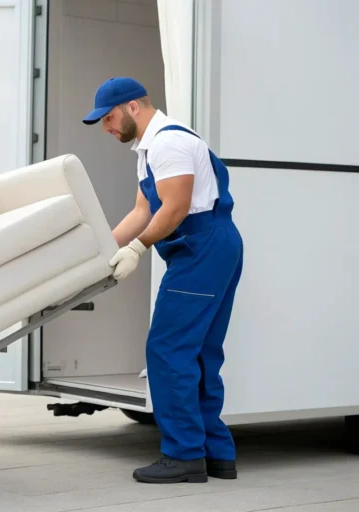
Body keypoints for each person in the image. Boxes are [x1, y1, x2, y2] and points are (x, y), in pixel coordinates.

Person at [83, 77, 244, 484]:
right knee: (201, 352)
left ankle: (184, 454)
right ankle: (216, 453)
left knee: (168, 349)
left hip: (201, 245)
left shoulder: (169, 143)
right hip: (210, 245)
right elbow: (142, 211)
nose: (105, 127)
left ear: (133, 107)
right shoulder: (149, 148)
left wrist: (137, 250)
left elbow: (174, 208)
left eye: (109, 117)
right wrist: (101, 249)